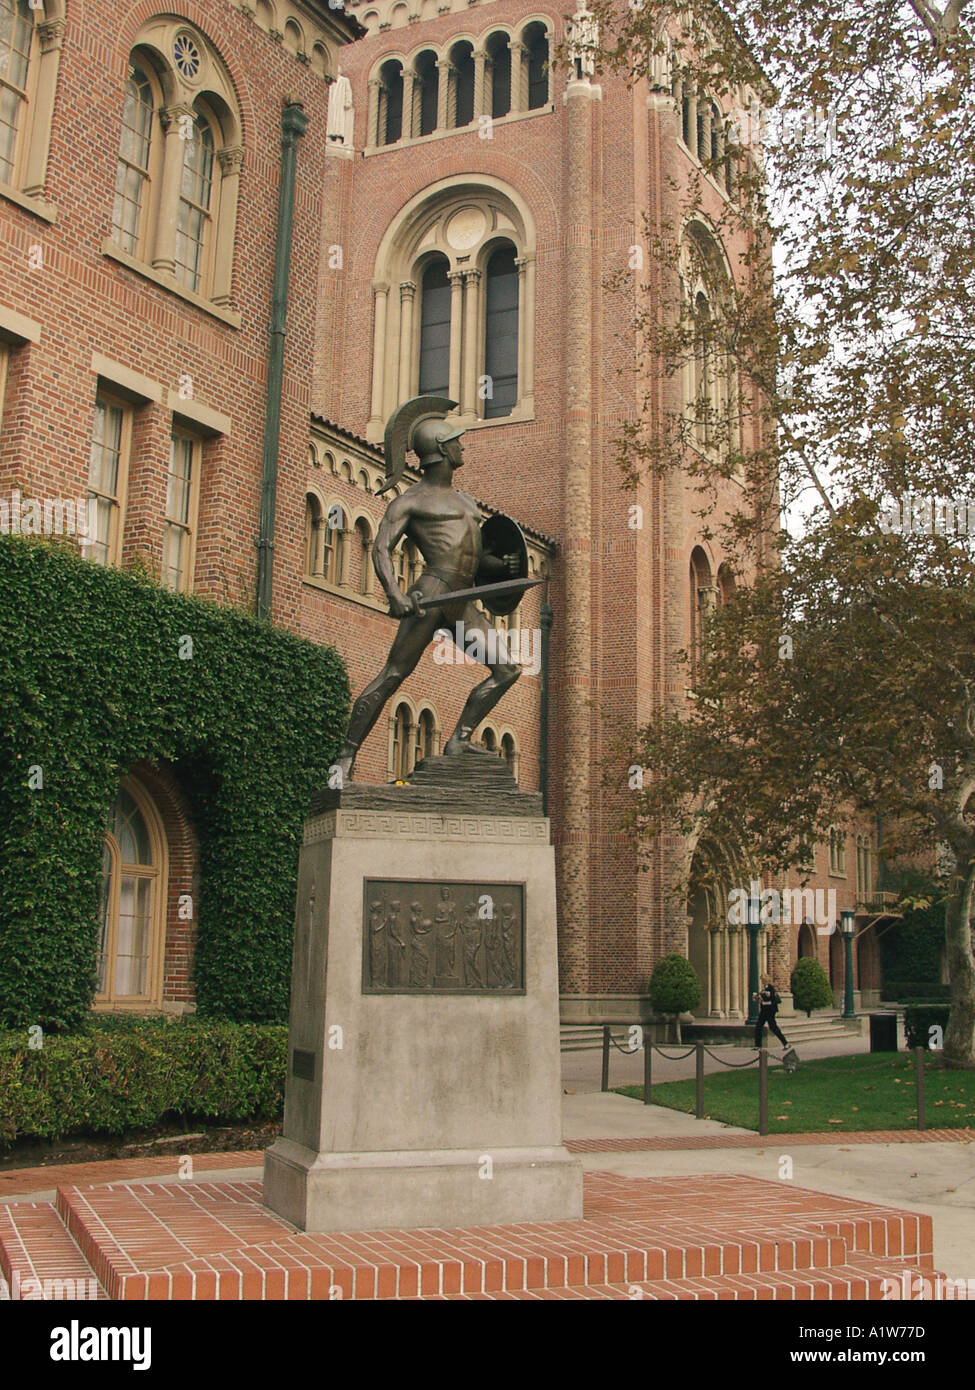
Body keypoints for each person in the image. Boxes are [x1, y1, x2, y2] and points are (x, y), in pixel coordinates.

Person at [752, 974, 789, 1049]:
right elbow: (763, 998)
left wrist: (762, 997)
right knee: (759, 1026)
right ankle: (758, 1045)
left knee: (773, 1027)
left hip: (769, 1011)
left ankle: (785, 1043)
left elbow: (770, 998)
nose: (762, 981)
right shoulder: (764, 989)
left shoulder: (770, 988)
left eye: (763, 979)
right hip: (764, 1011)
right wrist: (758, 997)